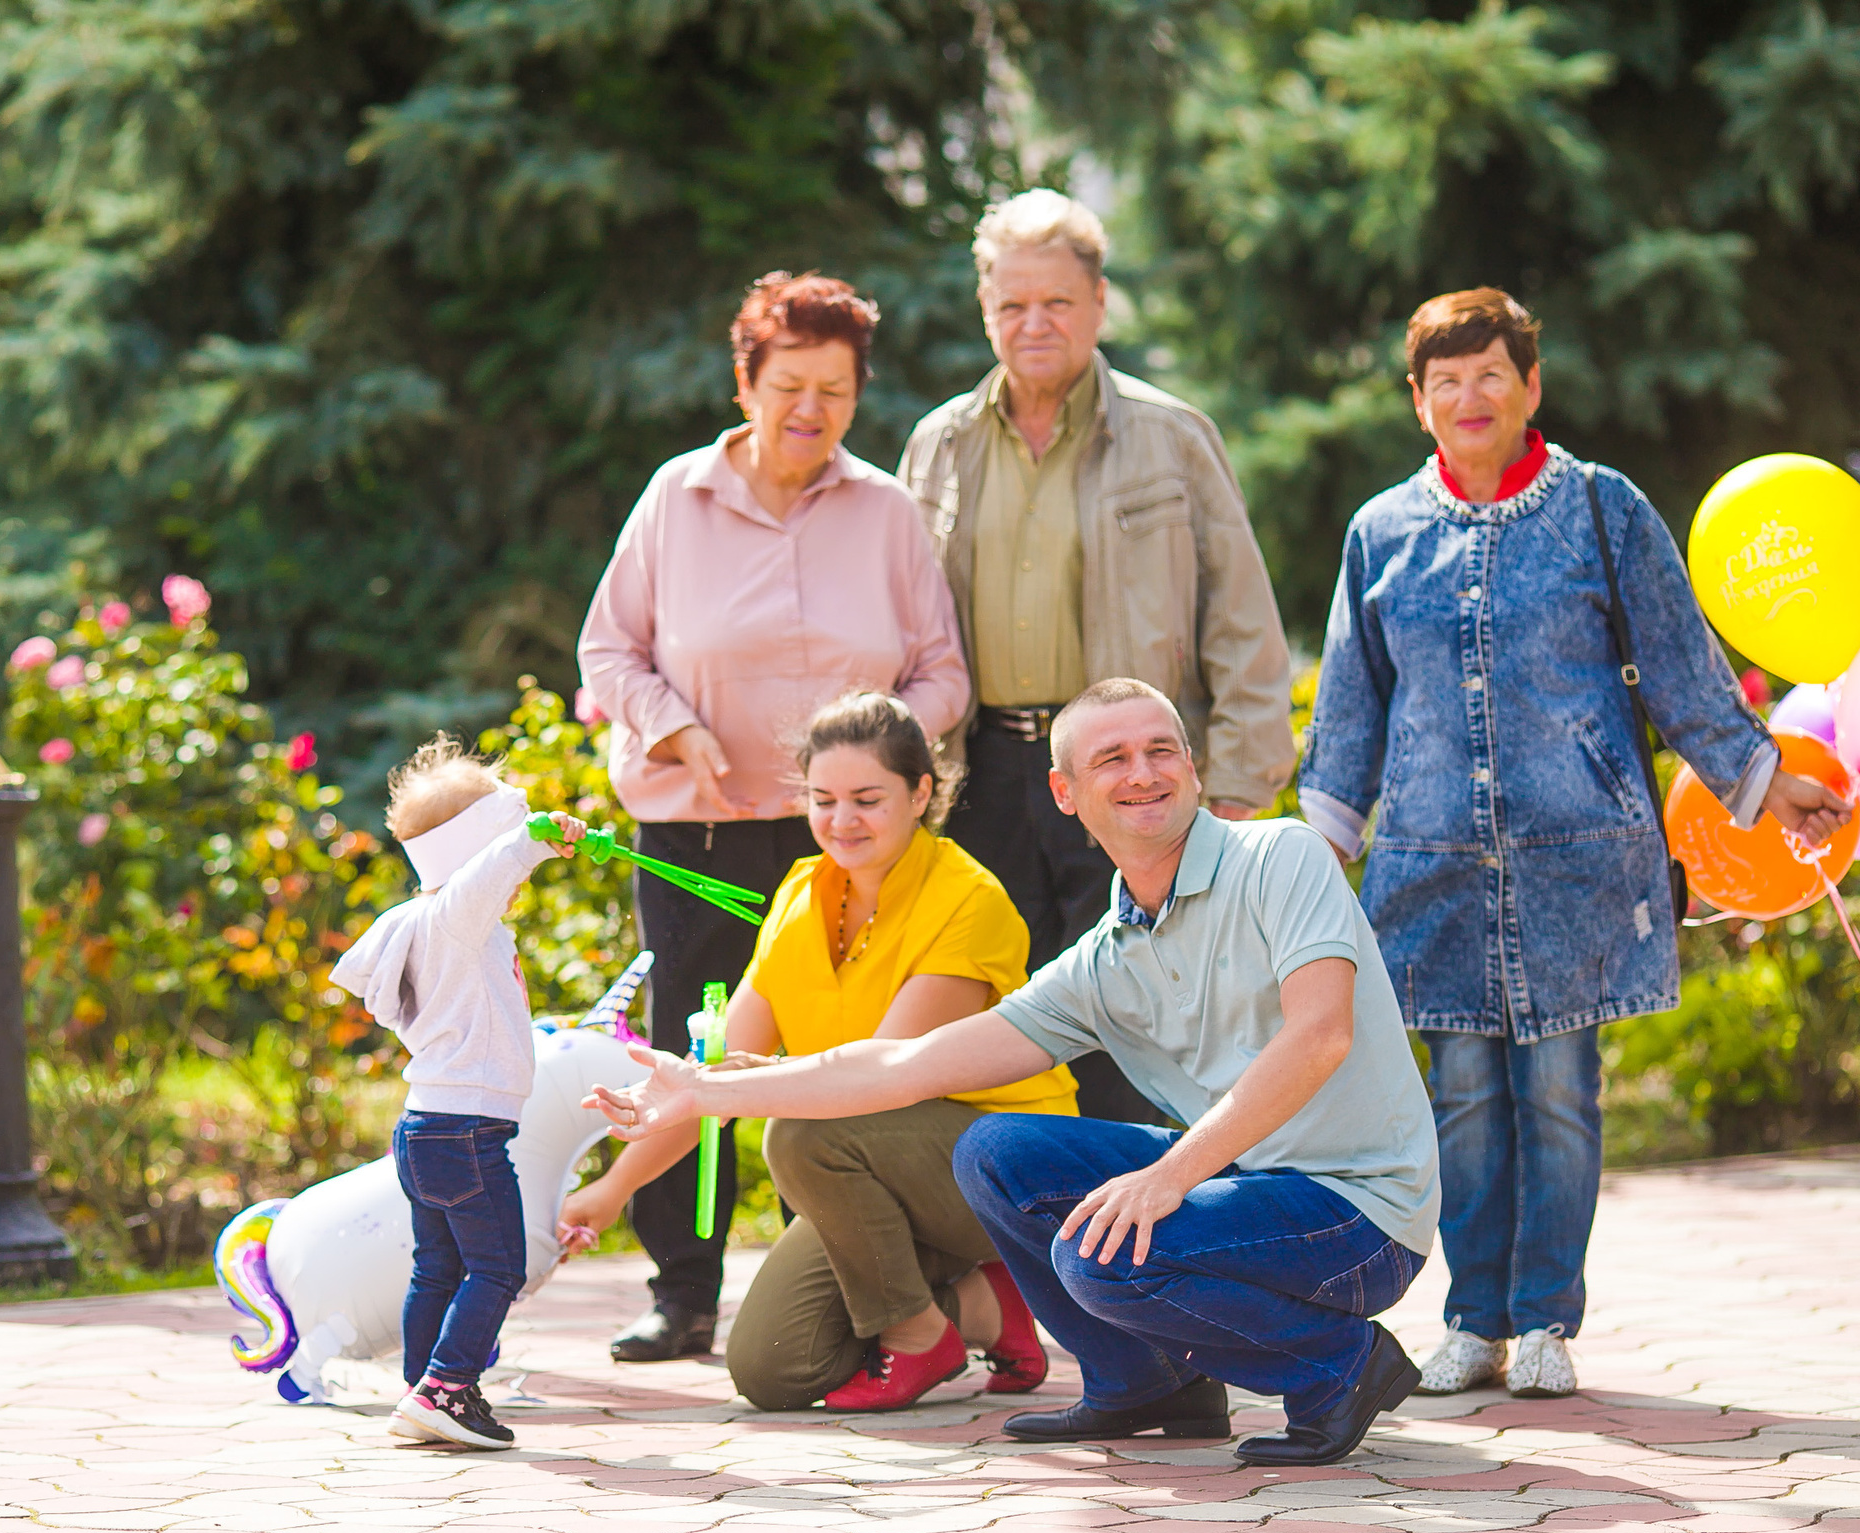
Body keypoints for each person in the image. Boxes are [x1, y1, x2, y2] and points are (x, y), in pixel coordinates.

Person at [588, 680, 1442, 1469]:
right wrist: (706, 1089)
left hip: (1360, 1213)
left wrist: (1170, 1174)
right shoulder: (1106, 960)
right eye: (1112, 758)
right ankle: (1144, 1382)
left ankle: (1339, 1366)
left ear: (1191, 766)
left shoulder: (1280, 856)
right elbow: (910, 1063)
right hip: (1247, 1185)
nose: (1143, 773)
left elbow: (1321, 1035)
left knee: (1099, 1255)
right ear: (1065, 791)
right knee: (994, 1152)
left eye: (1161, 750)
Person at [1298, 288, 1854, 1404]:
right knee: (1462, 1100)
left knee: (1559, 1094)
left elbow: (1681, 662)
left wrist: (1764, 782)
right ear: (1418, 401)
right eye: (1446, 382)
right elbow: (1353, 704)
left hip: (1578, 862)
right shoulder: (1380, 532)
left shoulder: (1601, 508)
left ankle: (1547, 1316)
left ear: (1530, 386)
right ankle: (1474, 1320)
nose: (1470, 397)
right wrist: (1317, 850)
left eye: (1490, 375)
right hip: (1431, 870)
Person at [578, 272, 971, 1364]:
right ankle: (683, 1291)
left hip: (846, 845)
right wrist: (673, 730)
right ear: (745, 383)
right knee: (691, 1050)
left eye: (835, 390)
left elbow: (943, 673)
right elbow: (609, 649)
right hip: (700, 836)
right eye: (789, 385)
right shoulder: (677, 497)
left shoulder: (885, 512)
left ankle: (840, 1291)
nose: (811, 409)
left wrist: (876, 757)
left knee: (840, 1065)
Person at [896, 190, 1298, 1124]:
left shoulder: (1172, 436)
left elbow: (1242, 619)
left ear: (1100, 303)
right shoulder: (940, 443)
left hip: (1127, 773)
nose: (1034, 323)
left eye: (1058, 302)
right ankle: (1017, 1214)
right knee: (999, 1026)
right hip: (982, 774)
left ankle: (1144, 1209)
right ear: (985, 309)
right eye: (1012, 304)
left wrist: (1240, 782)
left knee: (1137, 1020)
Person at [558, 693, 1077, 1412]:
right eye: (823, 799)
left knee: (798, 1133)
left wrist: (751, 1083)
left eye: (867, 799)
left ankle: (919, 1335)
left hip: (1000, 1170)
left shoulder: (971, 899)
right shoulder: (801, 893)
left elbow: (889, 1076)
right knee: (773, 1367)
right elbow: (712, 1079)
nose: (842, 820)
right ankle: (987, 1309)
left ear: (920, 793)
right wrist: (609, 1192)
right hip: (869, 1168)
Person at [329, 737, 587, 1450]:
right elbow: (493, 868)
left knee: (438, 1268)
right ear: (477, 852)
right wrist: (534, 838)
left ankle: (424, 1391)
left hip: (428, 1129)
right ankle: (446, 1386)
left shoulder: (437, 924)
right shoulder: (456, 918)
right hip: (467, 1132)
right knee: (500, 1267)